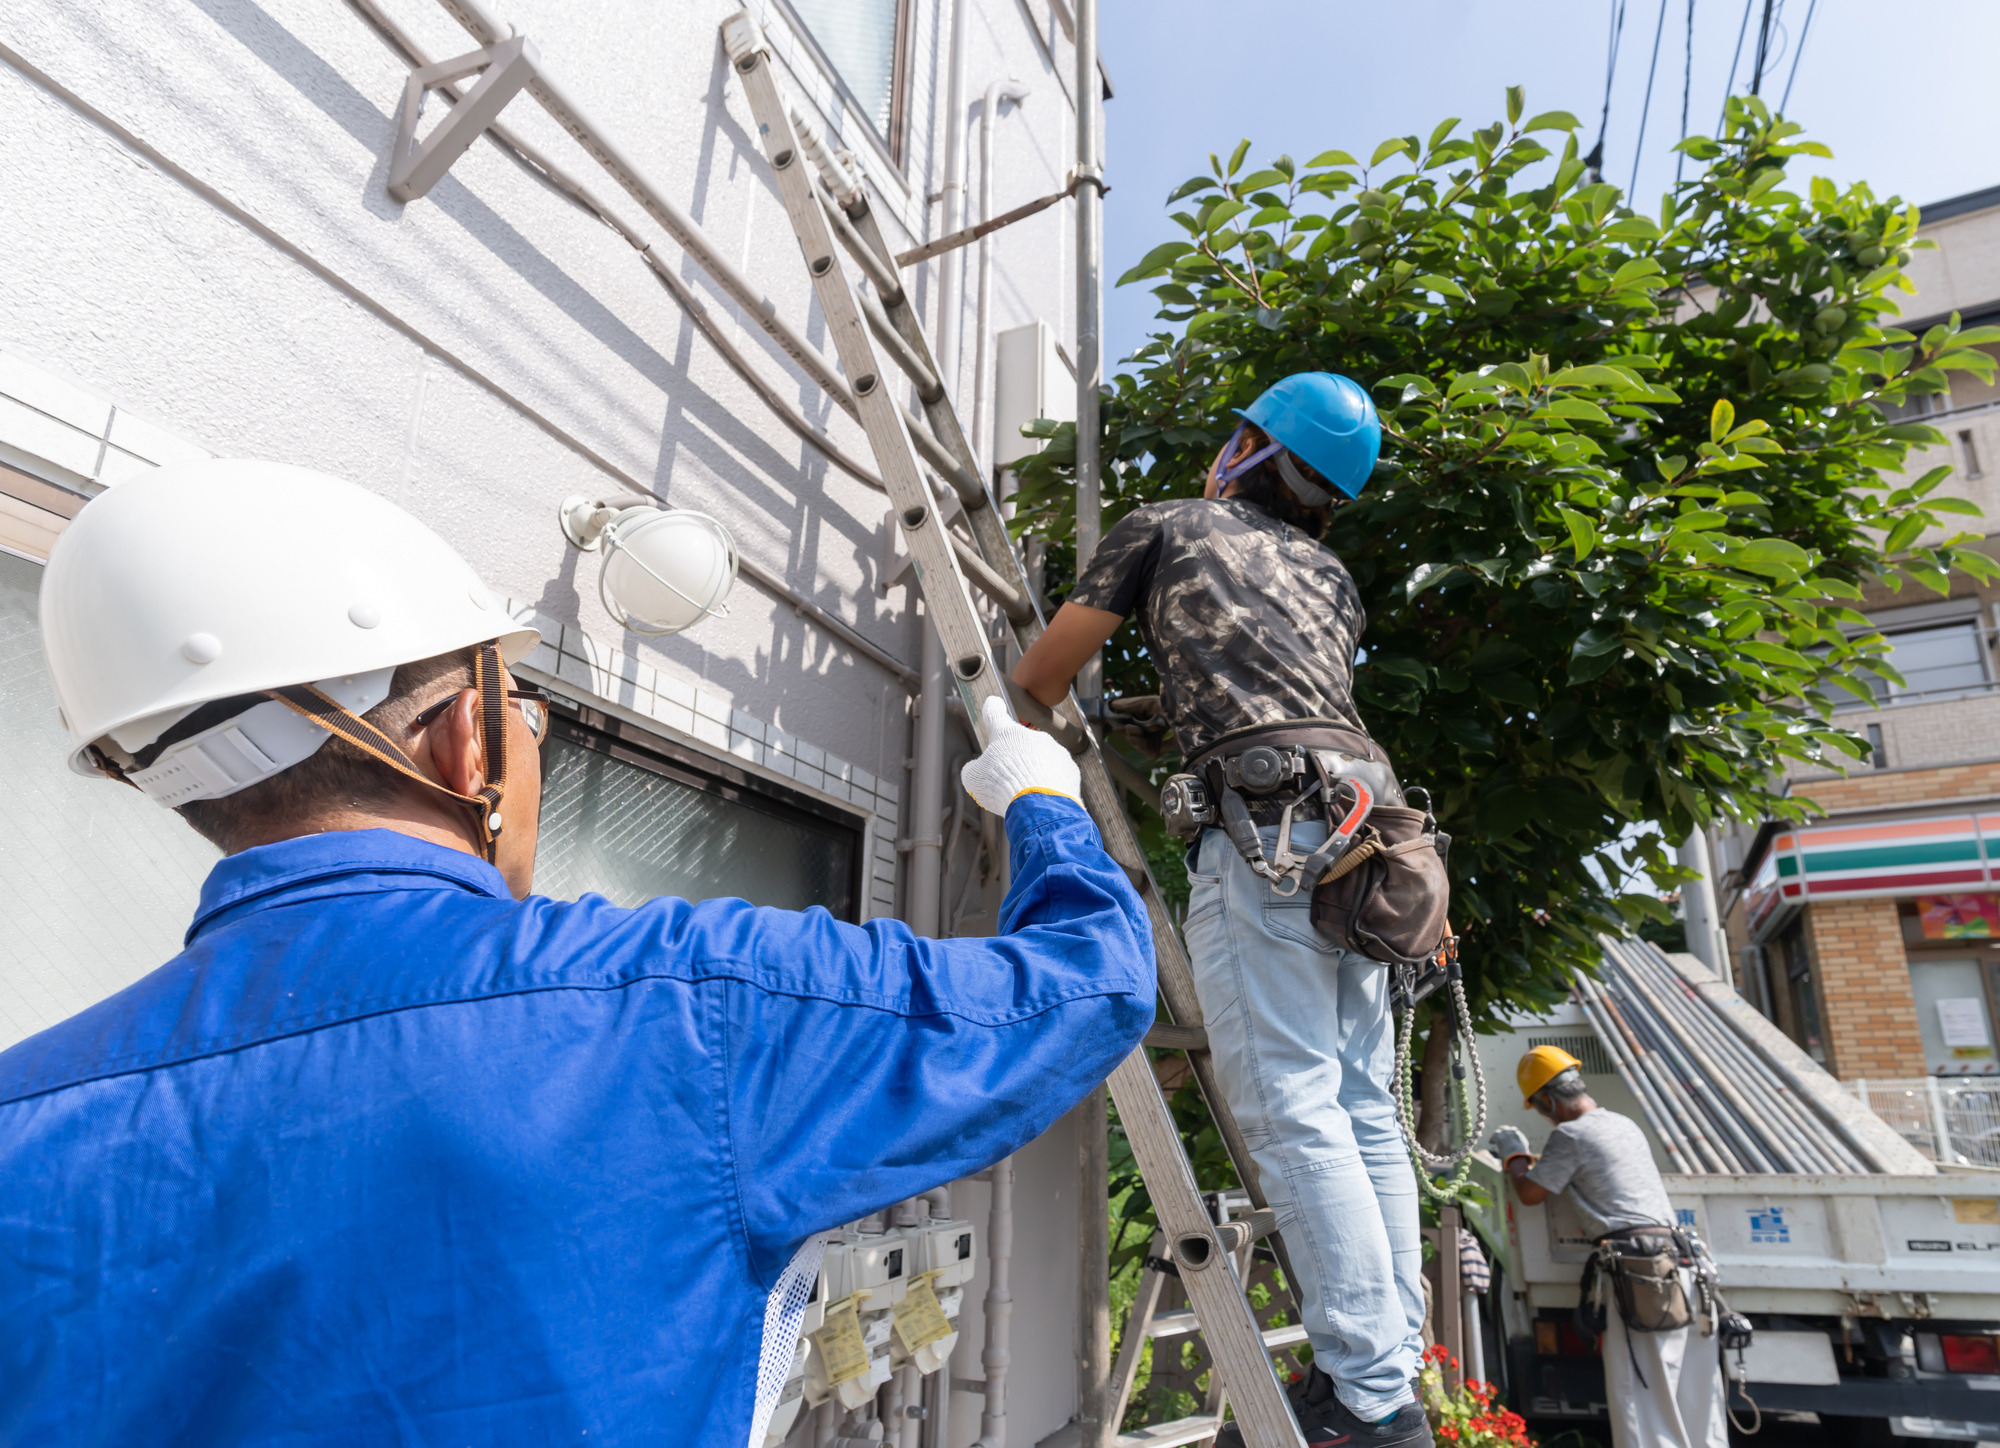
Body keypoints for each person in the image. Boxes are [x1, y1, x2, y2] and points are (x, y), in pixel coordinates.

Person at [0, 460, 1155, 1447]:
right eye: (529, 708)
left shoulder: (25, 1117)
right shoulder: (681, 1005)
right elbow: (1088, 978)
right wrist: (1043, 801)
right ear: (468, 740)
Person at [1012, 374, 1434, 1448]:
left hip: (1270, 830)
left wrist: (1068, 703)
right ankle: (1391, 1366)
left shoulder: (1165, 524)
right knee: (1360, 1103)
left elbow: (1041, 675)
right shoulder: (1332, 577)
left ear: (1248, 447)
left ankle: (1365, 1392)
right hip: (1370, 823)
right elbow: (1274, 681)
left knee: (1293, 1100)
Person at [1492, 1046, 1727, 1448]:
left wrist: (1514, 1156)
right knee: (1695, 1394)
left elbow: (1530, 1192)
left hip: (1638, 1272)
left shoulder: (1571, 1134)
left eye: (1540, 1107)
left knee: (1641, 1393)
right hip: (1682, 1261)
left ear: (1547, 1100)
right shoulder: (1623, 1124)